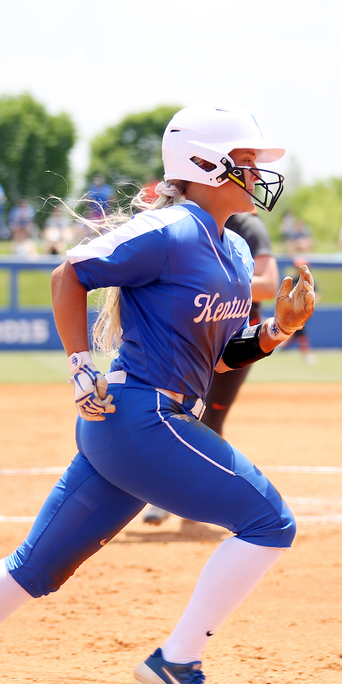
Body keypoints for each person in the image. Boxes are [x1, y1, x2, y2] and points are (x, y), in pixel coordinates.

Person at [0, 104, 313, 684]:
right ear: (201, 164)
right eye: (245, 161)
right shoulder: (167, 230)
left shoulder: (233, 248)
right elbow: (69, 273)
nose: (257, 174)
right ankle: (178, 661)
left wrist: (277, 330)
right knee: (269, 520)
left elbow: (220, 357)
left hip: (139, 427)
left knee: (34, 568)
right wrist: (81, 366)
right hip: (140, 416)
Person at [141, 208, 283, 531]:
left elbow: (270, 283)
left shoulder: (245, 224)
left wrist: (213, 280)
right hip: (191, 336)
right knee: (173, 412)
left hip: (235, 338)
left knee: (211, 420)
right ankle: (167, 493)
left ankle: (190, 500)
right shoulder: (182, 222)